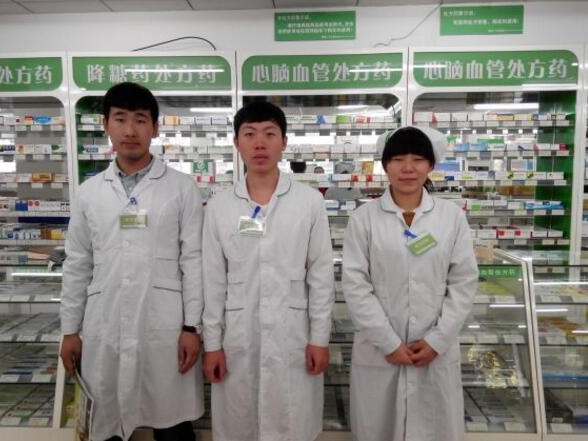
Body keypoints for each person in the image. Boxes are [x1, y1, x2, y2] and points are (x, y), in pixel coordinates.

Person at [60, 82, 204, 441]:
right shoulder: (89, 193)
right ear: (105, 125)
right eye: (120, 119)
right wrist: (69, 330)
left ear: (155, 127)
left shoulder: (181, 188)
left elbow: (193, 261)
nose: (130, 130)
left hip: (165, 325)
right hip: (105, 321)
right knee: (105, 423)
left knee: (172, 426)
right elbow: (78, 262)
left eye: (140, 120)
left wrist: (192, 327)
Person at [202, 101, 334, 441]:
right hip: (237, 336)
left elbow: (320, 276)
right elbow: (213, 281)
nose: (259, 144)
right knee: (240, 424)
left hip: (294, 334)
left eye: (269, 134)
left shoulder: (309, 202)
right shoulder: (218, 206)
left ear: (284, 142)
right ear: (236, 143)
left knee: (291, 424)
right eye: (249, 134)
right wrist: (212, 343)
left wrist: (319, 338)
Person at [342, 126, 478, 441]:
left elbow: (463, 282)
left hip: (434, 351)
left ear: (431, 165)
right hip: (379, 351)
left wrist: (437, 341)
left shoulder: (451, 217)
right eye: (398, 159)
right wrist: (388, 342)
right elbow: (355, 285)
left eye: (417, 159)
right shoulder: (364, 218)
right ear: (385, 165)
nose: (407, 168)